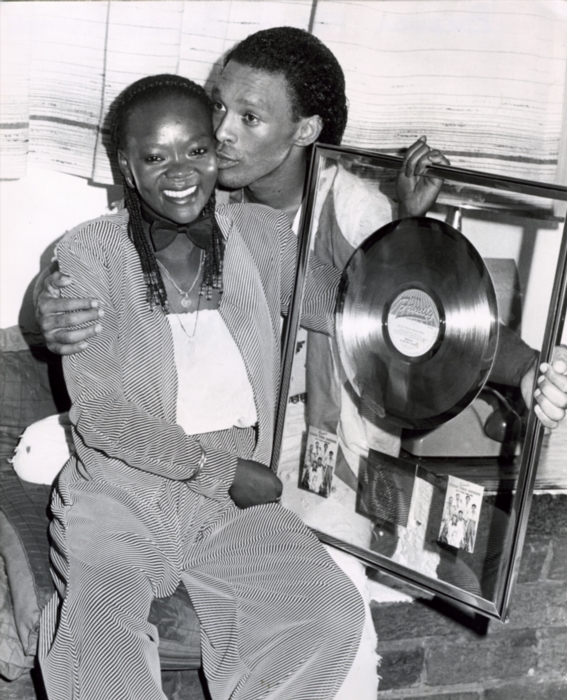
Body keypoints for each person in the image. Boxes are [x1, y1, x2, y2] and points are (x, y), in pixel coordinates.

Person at [33, 25, 567, 696]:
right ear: (127, 162)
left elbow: (385, 314)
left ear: (304, 130)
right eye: (215, 107)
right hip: (146, 483)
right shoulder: (116, 237)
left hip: (272, 479)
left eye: (239, 122)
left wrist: (526, 369)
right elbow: (103, 397)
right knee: (99, 641)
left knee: (329, 616)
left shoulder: (273, 232)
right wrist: (48, 298)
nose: (218, 134)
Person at [38, 74, 367, 700]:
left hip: (227, 511)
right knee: (99, 656)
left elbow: (343, 304)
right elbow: (102, 416)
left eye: (195, 149)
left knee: (327, 614)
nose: (180, 172)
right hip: (120, 495)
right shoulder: (89, 253)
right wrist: (222, 472)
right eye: (155, 157)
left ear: (216, 150)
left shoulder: (261, 236)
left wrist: (412, 228)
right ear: (128, 168)